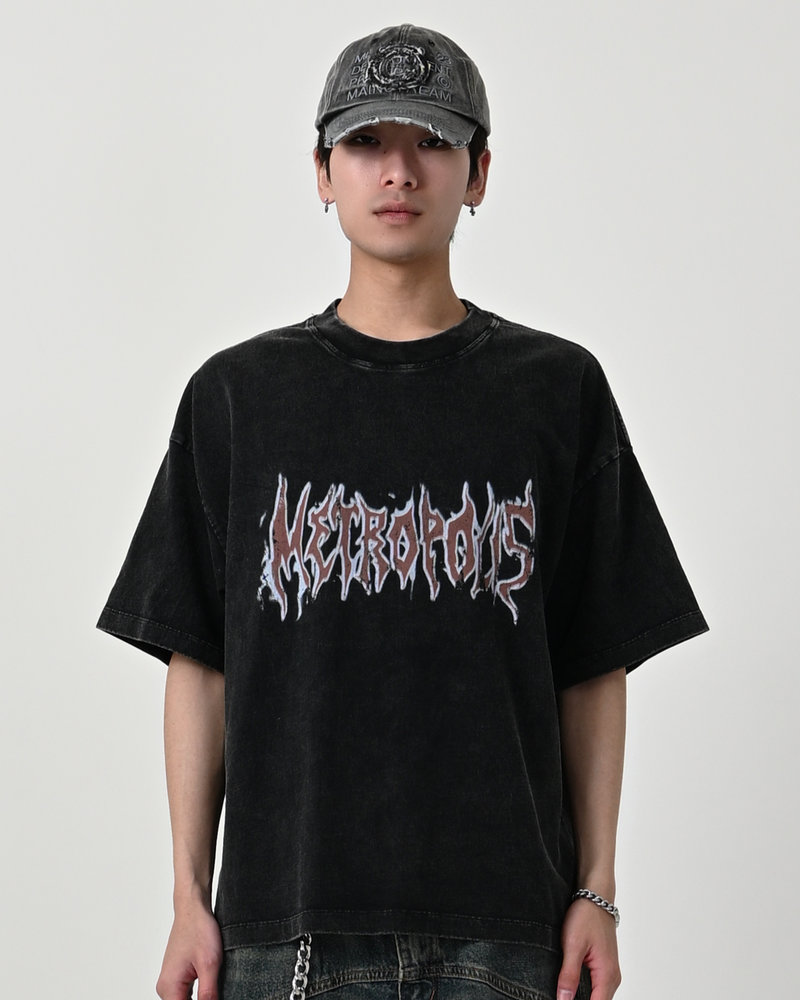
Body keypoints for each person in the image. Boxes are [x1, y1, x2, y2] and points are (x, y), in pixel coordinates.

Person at [97, 23, 708, 1000]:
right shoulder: (238, 397)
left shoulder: (555, 391)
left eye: (431, 141)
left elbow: (594, 658)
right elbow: (198, 661)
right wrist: (187, 898)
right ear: (321, 171)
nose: (398, 171)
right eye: (366, 142)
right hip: (286, 928)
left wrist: (596, 889)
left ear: (478, 172)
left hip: (506, 934)